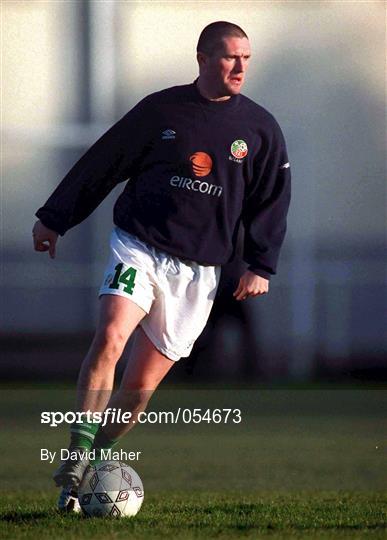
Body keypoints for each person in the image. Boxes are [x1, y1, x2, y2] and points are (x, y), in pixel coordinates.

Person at [33, 21, 291, 512]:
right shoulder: (162, 110)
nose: (239, 67)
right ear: (201, 58)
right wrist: (53, 218)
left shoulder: (260, 129)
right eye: (229, 56)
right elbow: (102, 161)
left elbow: (272, 201)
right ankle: (76, 452)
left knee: (139, 391)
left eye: (246, 58)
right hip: (139, 246)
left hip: (199, 275)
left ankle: (90, 462)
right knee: (111, 336)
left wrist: (261, 263)